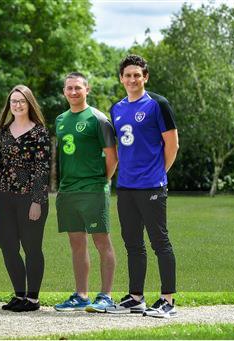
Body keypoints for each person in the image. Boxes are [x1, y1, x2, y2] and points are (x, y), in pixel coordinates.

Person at [106, 55, 179, 318]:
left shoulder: (158, 104)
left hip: (151, 186)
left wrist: (158, 173)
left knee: (160, 242)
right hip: (125, 186)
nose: (133, 79)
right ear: (121, 78)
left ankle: (167, 300)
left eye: (137, 75)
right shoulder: (117, 108)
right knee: (133, 243)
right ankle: (136, 297)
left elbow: (172, 145)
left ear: (145, 77)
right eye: (128, 75)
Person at [53, 73, 118, 313]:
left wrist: (101, 182)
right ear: (64, 91)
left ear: (87, 89)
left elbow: (112, 157)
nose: (73, 92)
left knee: (102, 242)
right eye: (69, 88)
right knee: (77, 244)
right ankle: (81, 295)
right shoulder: (60, 119)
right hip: (68, 190)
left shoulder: (98, 119)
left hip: (92, 190)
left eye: (78, 88)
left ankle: (106, 296)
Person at [0, 85, 50, 312]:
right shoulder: (3, 130)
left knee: (32, 248)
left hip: (29, 199)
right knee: (7, 246)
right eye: (13, 101)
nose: (17, 105)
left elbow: (42, 169)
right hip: (4, 197)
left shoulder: (39, 132)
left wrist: (37, 201)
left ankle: (32, 299)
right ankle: (19, 294)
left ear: (29, 103)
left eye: (22, 101)